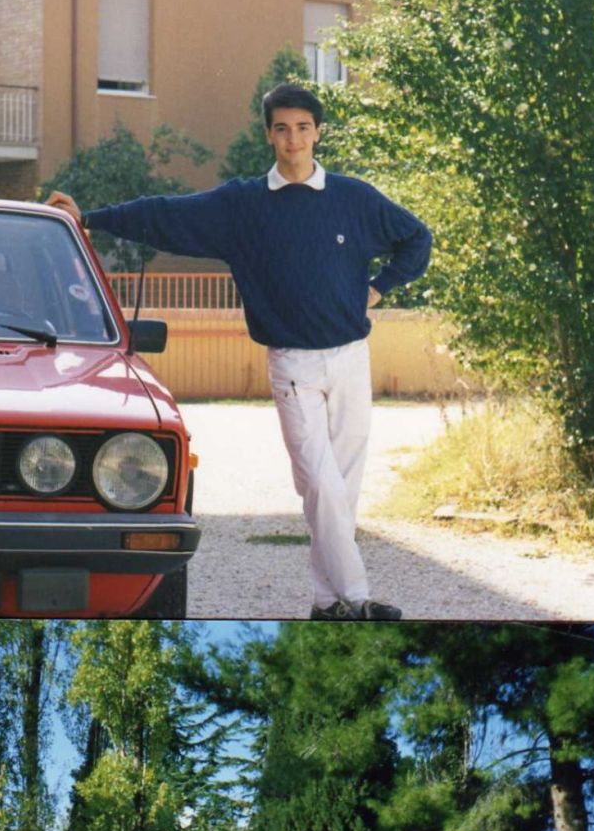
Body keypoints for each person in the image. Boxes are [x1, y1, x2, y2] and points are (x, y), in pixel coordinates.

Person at [47, 82, 432, 619]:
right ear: (268, 135)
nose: (293, 139)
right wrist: (93, 217)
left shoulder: (356, 200)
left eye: (302, 128)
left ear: (318, 132)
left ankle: (326, 602)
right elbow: (168, 214)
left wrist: (379, 288)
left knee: (341, 489)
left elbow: (419, 240)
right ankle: (358, 599)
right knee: (320, 483)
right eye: (282, 129)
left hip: (350, 359)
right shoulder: (244, 206)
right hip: (292, 364)